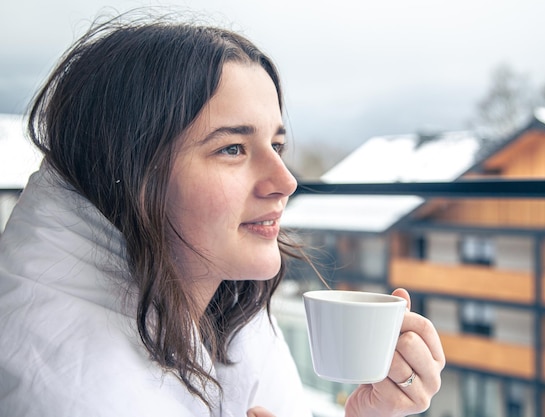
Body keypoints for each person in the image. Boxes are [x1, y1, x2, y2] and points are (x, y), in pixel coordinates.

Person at [0, 10, 445, 417]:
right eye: (232, 148)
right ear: (132, 170)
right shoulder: (69, 389)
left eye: (277, 146)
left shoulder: (229, 315)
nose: (286, 181)